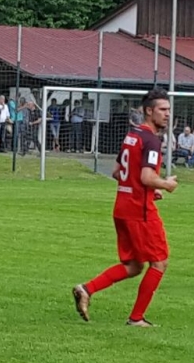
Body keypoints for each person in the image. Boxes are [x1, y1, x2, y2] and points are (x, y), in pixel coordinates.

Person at [72, 88, 178, 327]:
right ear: (148, 111)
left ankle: (86, 289)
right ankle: (136, 318)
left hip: (122, 207)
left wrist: (149, 189)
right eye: (162, 110)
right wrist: (166, 184)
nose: (167, 114)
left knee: (134, 266)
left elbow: (117, 172)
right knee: (159, 262)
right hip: (140, 211)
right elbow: (146, 177)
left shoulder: (132, 136)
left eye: (168, 110)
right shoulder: (151, 140)